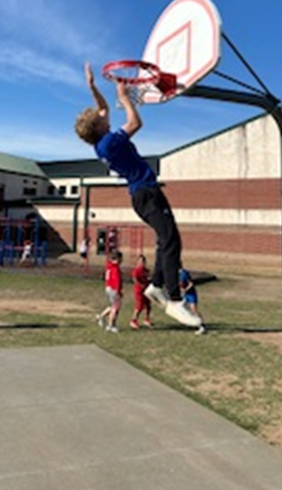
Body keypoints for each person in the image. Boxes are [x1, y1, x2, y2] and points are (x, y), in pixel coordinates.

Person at [75, 62, 202, 329]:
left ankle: (156, 286)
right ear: (98, 127)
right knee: (171, 240)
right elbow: (135, 122)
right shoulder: (110, 142)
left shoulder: (102, 142)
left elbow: (103, 108)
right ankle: (174, 299)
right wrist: (124, 97)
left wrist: (92, 87)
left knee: (165, 240)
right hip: (146, 193)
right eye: (100, 119)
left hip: (144, 194)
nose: (104, 114)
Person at [95, 248, 123, 333]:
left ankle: (101, 316)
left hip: (108, 287)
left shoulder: (109, 266)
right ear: (117, 259)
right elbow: (116, 280)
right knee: (116, 307)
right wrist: (118, 291)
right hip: (113, 289)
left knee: (112, 306)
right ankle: (111, 325)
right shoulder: (115, 268)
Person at [179, 267, 207, 334]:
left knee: (194, 309)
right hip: (184, 294)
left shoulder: (184, 273)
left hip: (191, 294)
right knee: (184, 308)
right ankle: (192, 323)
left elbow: (191, 283)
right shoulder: (174, 273)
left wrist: (185, 290)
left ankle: (202, 325)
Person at [130, 254, 153, 330]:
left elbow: (149, 278)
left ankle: (146, 319)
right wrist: (141, 285)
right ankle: (133, 320)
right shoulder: (136, 270)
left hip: (146, 291)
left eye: (143, 261)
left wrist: (150, 281)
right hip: (139, 291)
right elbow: (135, 279)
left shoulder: (146, 271)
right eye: (140, 261)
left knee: (148, 305)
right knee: (139, 306)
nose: (142, 263)